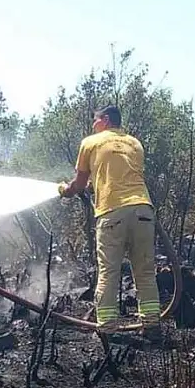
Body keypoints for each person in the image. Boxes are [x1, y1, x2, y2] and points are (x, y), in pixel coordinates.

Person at [58, 105, 161, 334]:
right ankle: (152, 326)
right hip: (143, 210)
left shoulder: (91, 142)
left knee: (108, 272)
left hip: (112, 212)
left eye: (95, 120)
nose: (93, 125)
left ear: (104, 120)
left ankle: (106, 328)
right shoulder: (135, 143)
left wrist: (66, 190)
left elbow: (80, 183)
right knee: (144, 271)